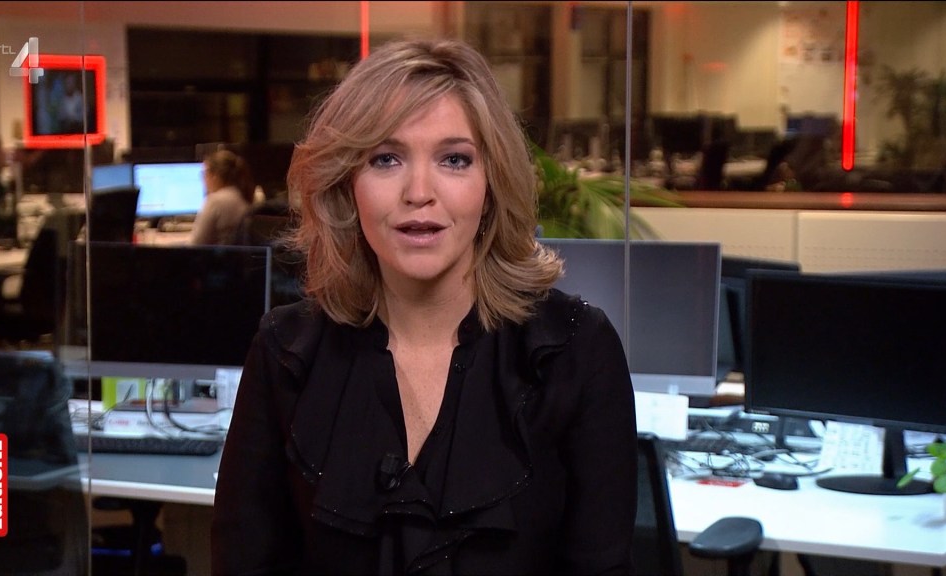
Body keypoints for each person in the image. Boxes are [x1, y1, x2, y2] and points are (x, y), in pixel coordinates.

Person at [211, 37, 637, 575]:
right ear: (346, 185)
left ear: (491, 183)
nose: (419, 191)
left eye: (454, 160)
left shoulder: (574, 351)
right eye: (385, 159)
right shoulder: (287, 353)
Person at [190, 149, 255, 245]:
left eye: (204, 173)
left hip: (216, 255)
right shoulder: (241, 195)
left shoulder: (215, 201)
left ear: (215, 176)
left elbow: (196, 244)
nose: (202, 178)